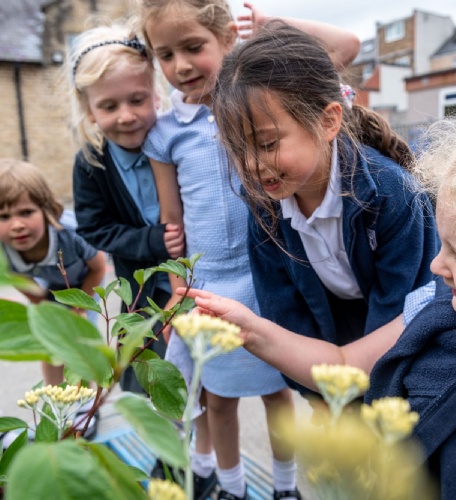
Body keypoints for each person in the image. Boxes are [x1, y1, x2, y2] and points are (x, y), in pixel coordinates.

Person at [180, 116, 456, 499]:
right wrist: (252, 331)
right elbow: (346, 364)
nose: (436, 266)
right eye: (442, 245)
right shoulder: (433, 301)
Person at [133, 1, 361, 499]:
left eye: (194, 48)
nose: (181, 66)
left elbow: (345, 47)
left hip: (268, 276)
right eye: (165, 55)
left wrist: (263, 26)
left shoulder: (257, 104)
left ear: (226, 40)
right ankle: (232, 489)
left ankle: (284, 488)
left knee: (277, 393)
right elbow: (172, 219)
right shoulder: (165, 134)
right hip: (209, 283)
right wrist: (177, 288)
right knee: (219, 399)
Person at [210, 21, 438, 394]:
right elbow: (285, 319)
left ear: (328, 121)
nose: (250, 164)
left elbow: (403, 314)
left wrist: (366, 399)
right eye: (236, 149)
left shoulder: (390, 194)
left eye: (266, 144)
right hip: (337, 333)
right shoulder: (265, 209)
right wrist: (317, 394)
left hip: (404, 341)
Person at [68, 21, 184, 393]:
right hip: (143, 289)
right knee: (149, 376)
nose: (126, 116)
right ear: (89, 110)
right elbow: (94, 228)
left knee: (199, 373)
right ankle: (164, 446)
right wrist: (152, 241)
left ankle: (204, 447)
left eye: (136, 100)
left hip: (194, 279)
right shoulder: (91, 163)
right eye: (108, 106)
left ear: (155, 94)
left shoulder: (178, 142)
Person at [0, 159, 107, 387]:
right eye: (4, 217)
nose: (16, 225)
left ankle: (83, 402)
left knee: (79, 341)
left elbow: (98, 266)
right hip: (48, 286)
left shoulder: (69, 235)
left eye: (26, 212)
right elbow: (17, 278)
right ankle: (54, 394)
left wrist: (79, 308)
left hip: (85, 283)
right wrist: (40, 304)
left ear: (46, 209)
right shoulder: (4, 249)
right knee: (49, 341)